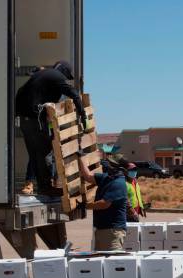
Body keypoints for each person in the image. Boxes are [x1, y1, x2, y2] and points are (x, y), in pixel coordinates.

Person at [16, 60, 87, 196]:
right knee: (45, 152)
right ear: (64, 71)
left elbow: (20, 91)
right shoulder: (56, 77)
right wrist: (83, 115)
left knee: (35, 154)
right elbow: (74, 95)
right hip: (35, 119)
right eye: (67, 76)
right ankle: (45, 187)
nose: (66, 79)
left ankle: (42, 186)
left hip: (25, 120)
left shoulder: (41, 76)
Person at [77, 154, 127, 251]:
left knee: (111, 263)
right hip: (102, 229)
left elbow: (104, 204)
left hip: (112, 232)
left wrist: (85, 206)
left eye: (111, 164)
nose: (108, 165)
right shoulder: (107, 178)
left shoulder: (118, 183)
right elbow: (88, 176)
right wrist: (80, 157)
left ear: (119, 168)